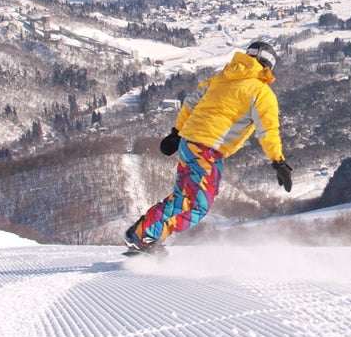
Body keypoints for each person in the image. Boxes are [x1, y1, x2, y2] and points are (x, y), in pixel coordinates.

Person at [123, 38, 293, 254]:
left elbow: (191, 103)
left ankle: (145, 235)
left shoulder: (222, 79)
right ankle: (142, 236)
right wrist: (278, 162)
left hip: (189, 143)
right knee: (196, 205)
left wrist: (176, 133)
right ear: (268, 66)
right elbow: (267, 130)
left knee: (183, 198)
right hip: (207, 149)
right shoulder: (260, 92)